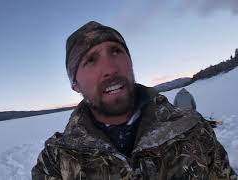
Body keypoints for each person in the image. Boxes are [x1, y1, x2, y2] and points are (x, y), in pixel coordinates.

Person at [32, 21, 236, 179]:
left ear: (130, 62)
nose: (110, 68)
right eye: (91, 60)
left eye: (116, 51)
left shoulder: (193, 130)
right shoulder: (55, 161)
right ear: (75, 84)